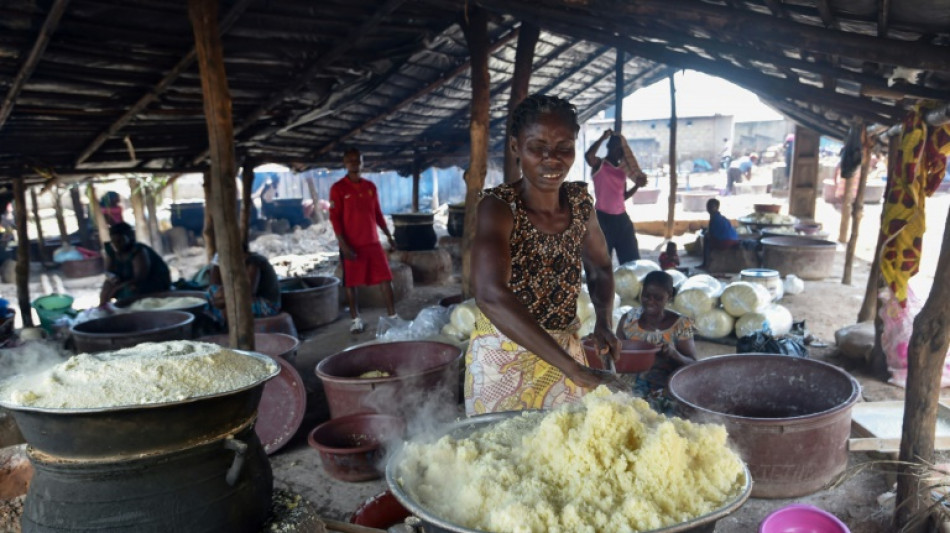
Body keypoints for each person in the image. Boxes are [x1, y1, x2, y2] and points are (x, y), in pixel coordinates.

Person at [465, 94, 625, 416]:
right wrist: (572, 368)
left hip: (565, 351)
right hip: (503, 355)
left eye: (564, 147)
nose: (552, 159)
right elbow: (490, 294)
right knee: (502, 455)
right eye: (537, 147)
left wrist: (604, 322)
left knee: (564, 453)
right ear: (515, 147)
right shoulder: (499, 207)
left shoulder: (580, 203)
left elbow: (601, 268)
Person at [329, 148, 397, 333]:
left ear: (362, 162)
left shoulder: (370, 187)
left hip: (372, 242)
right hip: (351, 244)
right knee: (351, 283)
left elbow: (377, 214)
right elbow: (335, 218)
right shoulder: (338, 188)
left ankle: (393, 317)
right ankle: (356, 320)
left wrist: (389, 236)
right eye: (350, 160)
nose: (354, 163)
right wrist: (344, 245)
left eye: (357, 160)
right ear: (345, 163)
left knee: (385, 278)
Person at [616, 270, 696, 414]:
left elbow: (693, 366)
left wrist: (674, 354)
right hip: (632, 387)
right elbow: (617, 357)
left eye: (658, 297)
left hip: (667, 387)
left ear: (669, 297)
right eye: (646, 295)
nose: (650, 301)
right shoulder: (628, 320)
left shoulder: (681, 325)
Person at [584, 129, 648, 264]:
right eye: (615, 147)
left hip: (622, 219)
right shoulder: (600, 165)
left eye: (621, 149)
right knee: (601, 263)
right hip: (603, 220)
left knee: (632, 261)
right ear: (608, 146)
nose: (619, 151)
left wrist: (637, 185)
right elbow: (589, 156)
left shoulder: (621, 170)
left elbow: (622, 196)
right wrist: (603, 137)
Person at [206, 244, 281, 325]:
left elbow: (246, 293)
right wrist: (217, 260)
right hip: (243, 297)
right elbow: (213, 284)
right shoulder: (233, 262)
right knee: (211, 292)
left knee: (231, 307)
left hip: (267, 305)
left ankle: (223, 327)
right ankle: (215, 321)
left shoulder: (254, 261)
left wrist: (226, 297)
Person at [100, 222, 171, 305]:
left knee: (132, 288)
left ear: (130, 236)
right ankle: (102, 309)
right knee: (107, 284)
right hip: (125, 282)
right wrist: (111, 278)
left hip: (151, 282)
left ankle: (130, 311)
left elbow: (139, 279)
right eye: (114, 241)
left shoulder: (139, 251)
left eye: (120, 241)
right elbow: (108, 271)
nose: (117, 245)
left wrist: (116, 289)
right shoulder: (111, 250)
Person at [699, 198, 739, 269]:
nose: (709, 209)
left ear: (717, 207)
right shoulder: (722, 218)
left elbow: (711, 234)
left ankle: (705, 263)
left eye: (711, 207)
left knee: (706, 238)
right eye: (708, 207)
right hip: (734, 240)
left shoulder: (714, 219)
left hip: (725, 243)